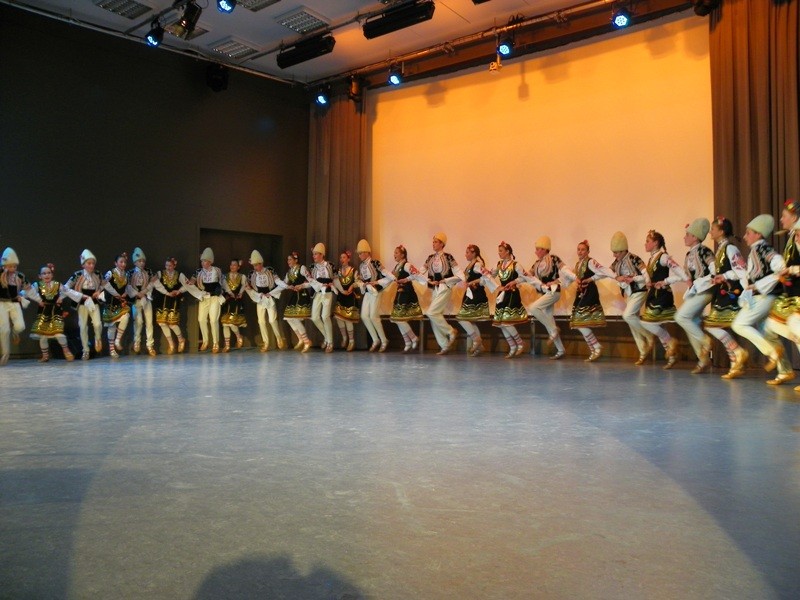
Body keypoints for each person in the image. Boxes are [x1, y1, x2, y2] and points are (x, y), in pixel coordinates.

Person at [731, 214, 790, 380]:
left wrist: (758, 285)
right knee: (767, 332)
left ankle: (772, 352)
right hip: (762, 296)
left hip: (766, 296)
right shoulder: (756, 250)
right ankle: (785, 370)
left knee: (739, 324)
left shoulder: (763, 249)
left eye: (748, 233)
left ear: (758, 234)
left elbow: (780, 266)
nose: (745, 236)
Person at [703, 217, 749, 379]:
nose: (710, 232)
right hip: (722, 292)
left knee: (712, 326)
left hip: (730, 293)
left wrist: (724, 276)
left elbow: (741, 270)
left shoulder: (730, 248)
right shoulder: (721, 249)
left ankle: (737, 353)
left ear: (721, 231)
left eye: (713, 229)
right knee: (713, 326)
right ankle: (735, 362)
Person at [640, 230, 687, 369]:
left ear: (655, 243)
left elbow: (680, 273)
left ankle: (671, 342)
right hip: (654, 294)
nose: (645, 244)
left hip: (662, 295)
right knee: (659, 326)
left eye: (648, 241)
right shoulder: (651, 259)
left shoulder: (663, 257)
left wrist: (666, 281)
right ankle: (672, 356)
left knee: (646, 322)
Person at [674, 219, 717, 374]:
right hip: (696, 291)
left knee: (681, 317)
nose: (684, 237)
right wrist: (665, 281)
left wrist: (702, 282)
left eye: (687, 235)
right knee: (691, 322)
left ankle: (706, 342)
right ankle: (702, 359)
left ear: (695, 237)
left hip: (706, 290)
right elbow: (686, 276)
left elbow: (715, 270)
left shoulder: (705, 251)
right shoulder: (689, 254)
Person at [608, 232, 655, 365]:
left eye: (616, 252)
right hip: (629, 294)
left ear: (623, 250)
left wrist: (639, 280)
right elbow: (608, 272)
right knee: (632, 321)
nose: (614, 255)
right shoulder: (616, 263)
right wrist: (616, 277)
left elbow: (645, 272)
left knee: (627, 315)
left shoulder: (634, 258)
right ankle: (643, 351)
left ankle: (649, 335)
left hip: (639, 290)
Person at [413, 232, 464, 355]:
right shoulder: (430, 258)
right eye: (433, 242)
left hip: (445, 288)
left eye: (436, 242)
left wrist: (446, 280)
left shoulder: (448, 257)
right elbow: (420, 272)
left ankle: (450, 331)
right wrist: (425, 279)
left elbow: (460, 274)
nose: (433, 244)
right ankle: (444, 344)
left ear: (442, 244)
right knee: (434, 315)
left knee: (431, 312)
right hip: (434, 289)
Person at [523, 236, 569, 360]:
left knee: (533, 308)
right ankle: (560, 349)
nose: (536, 251)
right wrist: (516, 280)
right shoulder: (537, 264)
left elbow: (566, 272)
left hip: (553, 292)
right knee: (549, 319)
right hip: (544, 293)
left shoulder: (554, 259)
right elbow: (528, 275)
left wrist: (556, 281)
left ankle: (554, 330)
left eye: (538, 249)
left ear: (544, 249)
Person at [568, 240, 611, 362]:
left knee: (579, 322)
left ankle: (596, 347)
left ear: (588, 251)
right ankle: (594, 349)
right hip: (581, 293)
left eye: (583, 249)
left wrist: (591, 279)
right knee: (577, 322)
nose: (580, 251)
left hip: (589, 293)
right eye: (578, 249)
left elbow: (602, 272)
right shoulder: (578, 264)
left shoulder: (591, 262)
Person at [485, 241, 528, 358]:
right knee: (500, 323)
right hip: (502, 293)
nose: (499, 253)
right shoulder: (499, 265)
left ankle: (520, 343)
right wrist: (488, 275)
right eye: (498, 251)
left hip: (512, 294)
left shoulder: (516, 265)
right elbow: (491, 276)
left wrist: (514, 281)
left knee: (506, 322)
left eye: (501, 251)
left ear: (508, 251)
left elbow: (525, 277)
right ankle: (512, 346)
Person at [27, 263, 74, 362]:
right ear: (40, 276)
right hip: (44, 312)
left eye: (48, 273)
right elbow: (28, 291)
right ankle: (45, 355)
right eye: (44, 273)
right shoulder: (37, 285)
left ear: (52, 275)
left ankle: (66, 350)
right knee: (43, 335)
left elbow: (67, 291)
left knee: (58, 333)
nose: (46, 275)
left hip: (55, 311)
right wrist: (21, 296)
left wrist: (61, 298)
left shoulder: (57, 285)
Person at [64, 249, 104, 360]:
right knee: (82, 326)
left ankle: (98, 338)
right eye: (89, 263)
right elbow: (66, 288)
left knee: (97, 324)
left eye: (93, 263)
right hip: (82, 302)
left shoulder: (97, 274)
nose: (91, 266)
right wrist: (79, 295)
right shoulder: (77, 275)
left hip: (93, 301)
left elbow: (104, 285)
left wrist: (98, 291)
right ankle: (85, 349)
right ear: (83, 264)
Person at [356, 239, 393, 352]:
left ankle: (384, 340)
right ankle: (375, 339)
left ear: (367, 252)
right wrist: (361, 283)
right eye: (359, 253)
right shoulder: (361, 266)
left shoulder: (375, 262)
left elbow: (386, 274)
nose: (359, 255)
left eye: (361, 253)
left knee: (373, 316)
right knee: (364, 316)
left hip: (376, 292)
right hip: (368, 292)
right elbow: (362, 279)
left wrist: (377, 282)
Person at [247, 250, 285, 352]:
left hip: (269, 296)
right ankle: (266, 342)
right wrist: (257, 295)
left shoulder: (270, 270)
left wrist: (286, 286)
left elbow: (277, 281)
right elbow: (248, 287)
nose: (255, 267)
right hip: (260, 298)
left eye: (257, 265)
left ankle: (278, 338)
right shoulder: (252, 274)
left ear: (261, 263)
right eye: (254, 265)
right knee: (261, 321)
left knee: (272, 320)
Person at [455, 244, 490, 356]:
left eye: (467, 252)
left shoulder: (477, 264)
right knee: (470, 320)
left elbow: (484, 278)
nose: (465, 255)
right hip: (470, 294)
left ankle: (476, 339)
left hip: (476, 295)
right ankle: (480, 347)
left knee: (461, 318)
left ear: (474, 253)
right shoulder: (471, 265)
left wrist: (470, 283)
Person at [188, 247, 224, 353]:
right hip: (204, 297)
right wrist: (186, 285)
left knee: (213, 320)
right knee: (201, 319)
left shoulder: (217, 270)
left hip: (214, 298)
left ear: (210, 261)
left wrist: (226, 293)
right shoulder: (198, 271)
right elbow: (191, 281)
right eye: (202, 261)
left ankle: (215, 343)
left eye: (205, 261)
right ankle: (205, 341)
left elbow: (222, 282)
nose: (203, 263)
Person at [152, 257, 189, 354]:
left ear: (174, 266)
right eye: (166, 265)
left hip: (173, 300)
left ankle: (181, 339)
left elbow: (187, 284)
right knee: (162, 323)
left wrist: (179, 291)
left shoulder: (179, 274)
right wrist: (166, 292)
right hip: (162, 299)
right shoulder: (160, 273)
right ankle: (171, 344)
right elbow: (155, 283)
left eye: (170, 265)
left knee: (172, 323)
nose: (168, 267)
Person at [389, 245, 422, 353]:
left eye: (396, 253)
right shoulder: (397, 266)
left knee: (399, 318)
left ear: (403, 255)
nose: (394, 255)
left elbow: (417, 274)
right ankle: (408, 342)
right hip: (400, 293)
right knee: (396, 318)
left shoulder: (407, 265)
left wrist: (407, 279)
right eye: (394, 252)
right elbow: (390, 277)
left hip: (407, 292)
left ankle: (413, 338)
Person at [278, 251, 313, 352]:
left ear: (295, 260)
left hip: (302, 295)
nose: (288, 261)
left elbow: (311, 281)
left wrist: (302, 285)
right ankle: (301, 338)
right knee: (288, 318)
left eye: (290, 259)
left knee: (295, 318)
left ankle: (306, 341)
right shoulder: (289, 272)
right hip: (294, 296)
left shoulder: (302, 268)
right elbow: (284, 283)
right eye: (288, 260)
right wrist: (285, 286)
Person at [0, 247, 28, 365]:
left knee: (20, 326)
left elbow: (29, 289)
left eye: (15, 266)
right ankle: (5, 353)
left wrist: (22, 294)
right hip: (1, 303)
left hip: (14, 303)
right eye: (10, 266)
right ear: (4, 266)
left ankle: (15, 332)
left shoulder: (19, 276)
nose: (13, 269)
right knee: (4, 329)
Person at [101, 253, 132, 358]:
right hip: (110, 302)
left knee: (126, 316)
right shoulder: (111, 273)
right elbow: (104, 283)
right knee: (112, 326)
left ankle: (117, 340)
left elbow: (128, 286)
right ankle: (112, 349)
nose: (123, 264)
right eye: (121, 262)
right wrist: (115, 294)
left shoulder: (126, 275)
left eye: (125, 262)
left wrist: (125, 293)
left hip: (119, 303)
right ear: (116, 263)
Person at [127, 247, 156, 356]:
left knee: (149, 322)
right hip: (136, 300)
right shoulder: (130, 273)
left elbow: (152, 283)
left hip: (146, 298)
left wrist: (145, 292)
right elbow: (128, 286)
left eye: (143, 261)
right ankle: (137, 341)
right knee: (138, 321)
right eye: (139, 261)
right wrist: (136, 294)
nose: (142, 263)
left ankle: (150, 344)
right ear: (135, 262)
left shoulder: (148, 271)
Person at [308, 243, 336, 353]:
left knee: (325, 316)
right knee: (315, 317)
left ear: (321, 254)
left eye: (316, 254)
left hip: (327, 293)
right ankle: (327, 338)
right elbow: (311, 281)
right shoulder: (312, 267)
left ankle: (330, 342)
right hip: (317, 293)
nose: (314, 256)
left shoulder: (330, 265)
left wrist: (334, 285)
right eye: (313, 254)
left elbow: (335, 278)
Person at [333, 250, 359, 352]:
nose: (342, 259)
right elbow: (335, 281)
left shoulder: (353, 270)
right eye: (341, 258)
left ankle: (351, 341)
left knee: (348, 319)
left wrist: (352, 286)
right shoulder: (338, 271)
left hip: (350, 296)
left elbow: (357, 282)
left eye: (344, 257)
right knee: (339, 318)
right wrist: (341, 290)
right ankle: (344, 338)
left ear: (348, 259)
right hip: (341, 296)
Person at [220, 259, 247, 352]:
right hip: (227, 300)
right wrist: (229, 293)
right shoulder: (225, 276)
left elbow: (243, 285)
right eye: (231, 265)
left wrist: (240, 293)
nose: (232, 266)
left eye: (234, 265)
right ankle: (227, 345)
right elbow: (224, 286)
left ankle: (238, 336)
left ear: (238, 267)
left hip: (236, 300)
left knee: (232, 322)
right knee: (225, 323)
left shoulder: (242, 276)